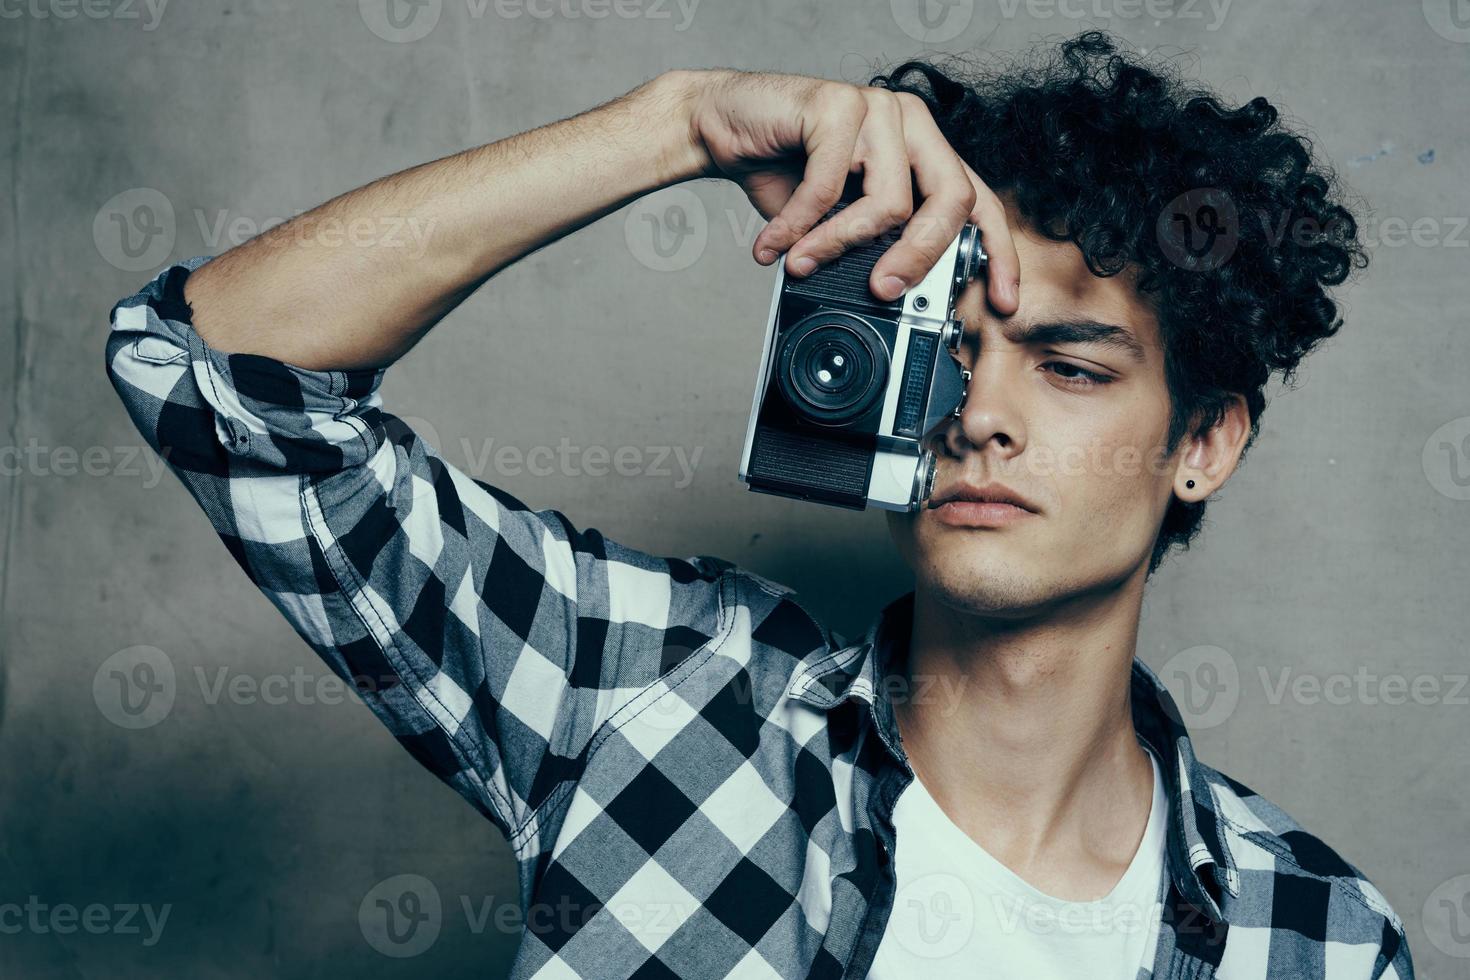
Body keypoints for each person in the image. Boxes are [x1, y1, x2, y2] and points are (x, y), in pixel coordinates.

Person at [104, 31, 1412, 980]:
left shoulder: (1317, 938)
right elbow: (212, 375)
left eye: (1067, 367)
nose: (979, 414)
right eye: (945, 353)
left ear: (1203, 441)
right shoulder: (651, 692)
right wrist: (669, 124)